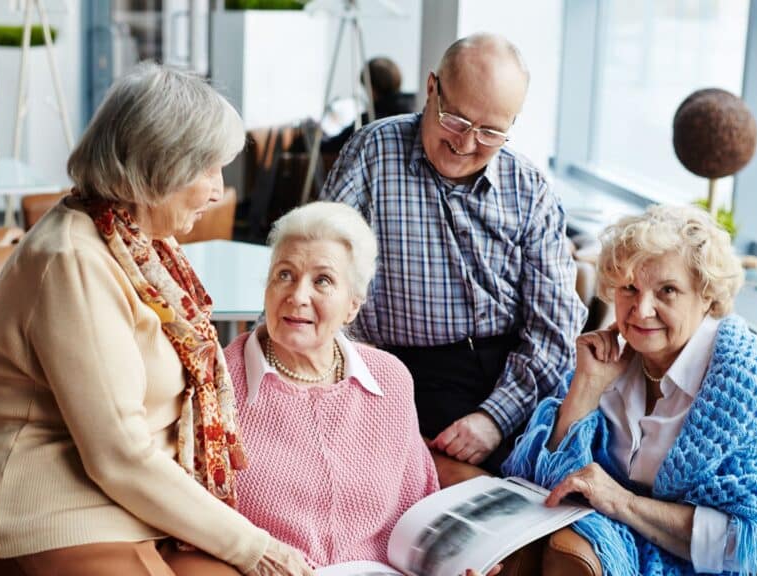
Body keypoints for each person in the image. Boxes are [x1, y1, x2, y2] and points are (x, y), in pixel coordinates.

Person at [0, 62, 313, 576]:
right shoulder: (73, 259)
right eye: (207, 169)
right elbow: (118, 454)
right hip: (50, 515)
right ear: (156, 166)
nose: (218, 192)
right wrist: (253, 546)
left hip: (128, 509)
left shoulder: (139, 244)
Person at [503, 204, 757, 574]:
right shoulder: (615, 361)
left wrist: (624, 503)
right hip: (636, 546)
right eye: (630, 287)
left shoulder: (749, 377)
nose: (641, 310)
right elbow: (539, 486)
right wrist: (585, 388)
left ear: (706, 295)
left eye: (668, 291)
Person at [321, 32, 587, 474]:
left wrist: (494, 418)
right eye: (456, 121)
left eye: (490, 132)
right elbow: (317, 262)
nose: (466, 144)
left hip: (509, 375)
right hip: (395, 372)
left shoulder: (530, 189)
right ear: (431, 89)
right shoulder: (372, 153)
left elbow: (555, 328)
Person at [223, 201, 438, 568]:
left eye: (322, 280)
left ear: (352, 305)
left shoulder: (390, 379)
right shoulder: (220, 381)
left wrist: (446, 562)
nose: (298, 296)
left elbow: (417, 507)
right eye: (285, 275)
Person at [321, 56, 416, 154]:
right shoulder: (418, 111)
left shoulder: (369, 120)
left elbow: (332, 147)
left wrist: (317, 135)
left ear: (371, 88)